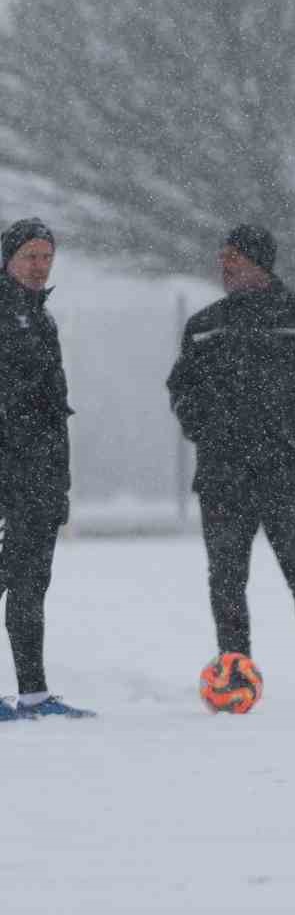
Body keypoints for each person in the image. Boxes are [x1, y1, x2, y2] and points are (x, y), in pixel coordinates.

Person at [166, 225, 295, 696]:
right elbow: (182, 390)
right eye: (222, 256)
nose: (225, 264)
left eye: (235, 256)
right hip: (222, 478)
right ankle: (235, 673)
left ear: (261, 262)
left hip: (289, 478)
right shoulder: (204, 325)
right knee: (227, 583)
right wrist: (205, 431)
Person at [0, 218, 93, 720]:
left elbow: (51, 411)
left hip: (40, 474)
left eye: (46, 256)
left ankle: (33, 694)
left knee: (32, 581)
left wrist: (56, 480)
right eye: (30, 256)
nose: (39, 266)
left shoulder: (42, 318)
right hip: (7, 473)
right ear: (7, 259)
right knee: (6, 575)